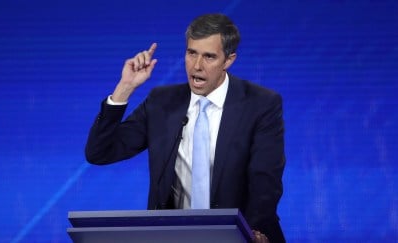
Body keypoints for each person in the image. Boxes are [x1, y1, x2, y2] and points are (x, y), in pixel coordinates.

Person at [85, 13, 286, 243]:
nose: (197, 66)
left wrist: (251, 231)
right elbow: (99, 152)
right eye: (192, 53)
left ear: (228, 60)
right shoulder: (162, 102)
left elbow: (266, 181)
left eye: (209, 57)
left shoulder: (260, 104)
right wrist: (124, 88)